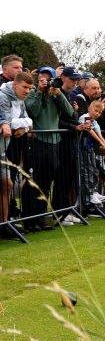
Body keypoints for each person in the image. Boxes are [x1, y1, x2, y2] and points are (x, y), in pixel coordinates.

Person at [24, 68, 77, 230]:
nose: (46, 82)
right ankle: (30, 220)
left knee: (47, 182)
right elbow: (32, 111)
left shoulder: (57, 94)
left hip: (55, 143)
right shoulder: (33, 93)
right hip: (38, 142)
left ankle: (40, 218)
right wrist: (40, 91)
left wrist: (58, 93)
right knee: (35, 182)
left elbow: (70, 113)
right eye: (43, 79)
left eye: (49, 79)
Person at [1, 73, 34, 236]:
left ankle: (4, 224)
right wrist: (19, 125)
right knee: (6, 184)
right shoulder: (2, 96)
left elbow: (28, 120)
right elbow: (8, 122)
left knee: (7, 184)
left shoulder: (19, 99)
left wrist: (23, 127)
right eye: (25, 87)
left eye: (29, 88)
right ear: (15, 85)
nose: (27, 91)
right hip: (4, 146)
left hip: (4, 149)